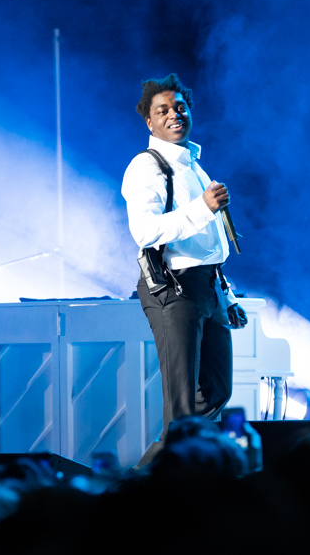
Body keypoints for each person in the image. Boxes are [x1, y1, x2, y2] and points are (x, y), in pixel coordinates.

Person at [121, 74, 247, 464]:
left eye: (180, 107)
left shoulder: (194, 164)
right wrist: (203, 207)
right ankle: (144, 489)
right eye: (164, 110)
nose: (175, 114)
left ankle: (193, 472)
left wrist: (224, 297)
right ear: (149, 122)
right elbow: (145, 232)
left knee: (215, 391)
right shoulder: (147, 167)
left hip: (206, 287)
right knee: (181, 408)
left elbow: (208, 245)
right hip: (174, 290)